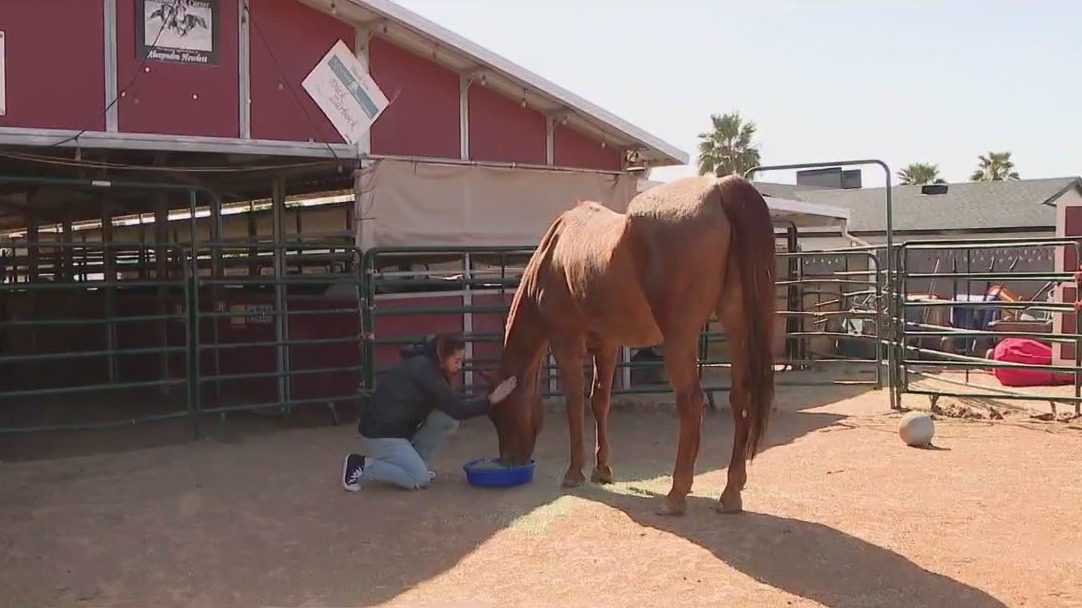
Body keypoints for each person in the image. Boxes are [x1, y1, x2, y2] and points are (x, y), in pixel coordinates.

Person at [342, 333, 517, 491]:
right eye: (456, 361)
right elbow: (458, 409)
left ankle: (413, 464)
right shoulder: (426, 372)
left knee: (446, 419)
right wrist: (491, 400)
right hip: (380, 434)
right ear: (443, 356)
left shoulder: (428, 366)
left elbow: (451, 409)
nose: (459, 366)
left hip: (398, 430)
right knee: (419, 479)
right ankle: (361, 464)